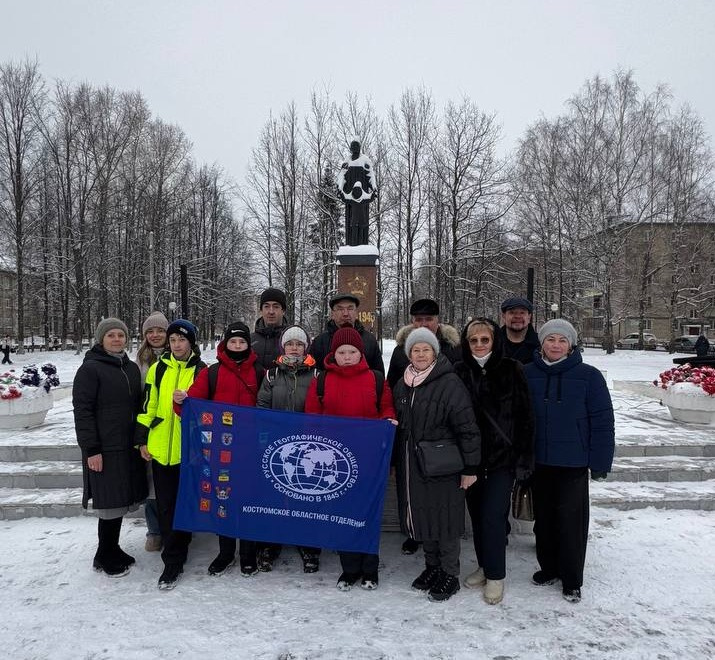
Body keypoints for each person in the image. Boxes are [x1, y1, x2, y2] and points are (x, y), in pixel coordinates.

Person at [523, 319, 615, 603]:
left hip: (573, 463)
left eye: (562, 340)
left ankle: (572, 578)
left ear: (571, 345)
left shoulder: (589, 376)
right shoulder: (526, 373)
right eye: (550, 340)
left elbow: (602, 422)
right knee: (544, 520)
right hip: (539, 461)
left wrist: (600, 462)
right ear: (542, 344)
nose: (556, 345)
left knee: (571, 522)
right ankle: (549, 568)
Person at [392, 328, 481, 602]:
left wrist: (471, 468)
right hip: (413, 464)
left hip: (443, 464)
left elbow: (467, 427)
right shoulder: (403, 384)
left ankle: (450, 573)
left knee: (445, 520)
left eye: (426, 349)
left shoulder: (449, 383)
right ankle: (432, 566)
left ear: (435, 352)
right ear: (409, 354)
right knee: (423, 516)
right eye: (415, 350)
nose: (420, 354)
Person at [304, 327, 396, 591]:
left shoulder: (375, 379)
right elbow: (312, 417)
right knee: (342, 515)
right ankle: (349, 569)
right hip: (335, 462)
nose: (347, 356)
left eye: (352, 351)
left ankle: (370, 569)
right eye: (342, 352)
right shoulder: (322, 380)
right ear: (334, 353)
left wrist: (387, 420)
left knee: (368, 514)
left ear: (361, 353)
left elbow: (386, 407)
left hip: (368, 459)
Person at [454, 318, 534, 605]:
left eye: (484, 340)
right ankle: (484, 566)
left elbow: (525, 416)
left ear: (494, 341)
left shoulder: (512, 369)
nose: (479, 345)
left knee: (493, 517)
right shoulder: (459, 371)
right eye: (473, 340)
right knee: (477, 516)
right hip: (471, 461)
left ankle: (496, 575)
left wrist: (524, 459)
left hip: (502, 460)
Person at [184, 321, 264, 578]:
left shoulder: (260, 372)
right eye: (233, 341)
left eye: (242, 342)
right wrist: (180, 402)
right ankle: (226, 552)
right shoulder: (212, 373)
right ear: (225, 344)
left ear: (248, 345)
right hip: (220, 449)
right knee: (223, 499)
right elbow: (192, 404)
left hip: (251, 449)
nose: (237, 346)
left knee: (249, 500)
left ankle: (248, 554)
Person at [73, 318, 147, 577]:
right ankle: (104, 554)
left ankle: (111, 548)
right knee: (108, 503)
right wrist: (91, 449)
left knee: (118, 500)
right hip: (103, 448)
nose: (117, 339)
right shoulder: (90, 369)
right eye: (111, 335)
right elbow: (82, 411)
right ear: (101, 339)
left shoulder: (130, 368)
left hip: (126, 446)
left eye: (120, 335)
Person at [135, 319, 206, 590]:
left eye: (182, 340)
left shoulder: (201, 370)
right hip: (161, 448)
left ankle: (181, 543)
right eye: (173, 340)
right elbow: (148, 406)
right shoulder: (158, 368)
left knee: (184, 502)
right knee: (165, 504)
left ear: (191, 343)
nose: (176, 345)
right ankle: (172, 560)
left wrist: (189, 399)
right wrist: (142, 439)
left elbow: (206, 409)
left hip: (187, 451)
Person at [387, 298, 461, 555]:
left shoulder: (452, 347)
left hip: (440, 430)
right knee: (410, 487)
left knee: (436, 491)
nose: (424, 324)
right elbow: (393, 385)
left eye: (429, 319)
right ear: (412, 321)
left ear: (438, 321)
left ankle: (440, 539)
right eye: (418, 319)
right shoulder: (401, 350)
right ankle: (414, 533)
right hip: (409, 425)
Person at [256, 324, 321, 573]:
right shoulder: (272, 375)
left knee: (306, 495)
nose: (294, 348)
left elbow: (322, 408)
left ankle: (308, 544)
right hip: (278, 446)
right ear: (283, 347)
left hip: (307, 447)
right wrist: (267, 437)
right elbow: (262, 406)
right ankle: (271, 543)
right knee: (274, 496)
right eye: (290, 344)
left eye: (299, 344)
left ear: (306, 347)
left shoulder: (317, 375)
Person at [135, 311, 169, 553]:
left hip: (172, 428)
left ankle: (175, 528)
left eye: (160, 330)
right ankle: (155, 530)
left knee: (171, 481)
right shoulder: (140, 362)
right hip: (149, 427)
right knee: (152, 483)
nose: (155, 335)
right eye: (150, 331)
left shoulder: (177, 354)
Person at [309, 293, 383, 373]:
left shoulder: (369, 340)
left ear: (356, 312)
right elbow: (311, 374)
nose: (345, 314)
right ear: (332, 314)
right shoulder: (320, 342)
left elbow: (378, 374)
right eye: (340, 309)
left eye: (350, 308)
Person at [337, 139, 377, 246]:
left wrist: (374, 188)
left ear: (359, 148)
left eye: (356, 146)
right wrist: (340, 188)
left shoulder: (365, 161)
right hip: (350, 194)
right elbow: (341, 177)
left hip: (363, 194)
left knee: (363, 223)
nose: (355, 148)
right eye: (353, 146)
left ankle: (363, 245)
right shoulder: (347, 162)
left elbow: (370, 176)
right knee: (350, 222)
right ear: (351, 149)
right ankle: (351, 245)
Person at [252, 287, 290, 370]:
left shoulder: (293, 341)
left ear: (283, 310)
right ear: (261, 310)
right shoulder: (249, 341)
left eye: (276, 307)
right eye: (266, 306)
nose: (271, 311)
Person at [500, 297, 540, 365]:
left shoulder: (541, 344)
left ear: (529, 317)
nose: (518, 316)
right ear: (504, 316)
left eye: (522, 313)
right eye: (512, 312)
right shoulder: (491, 343)